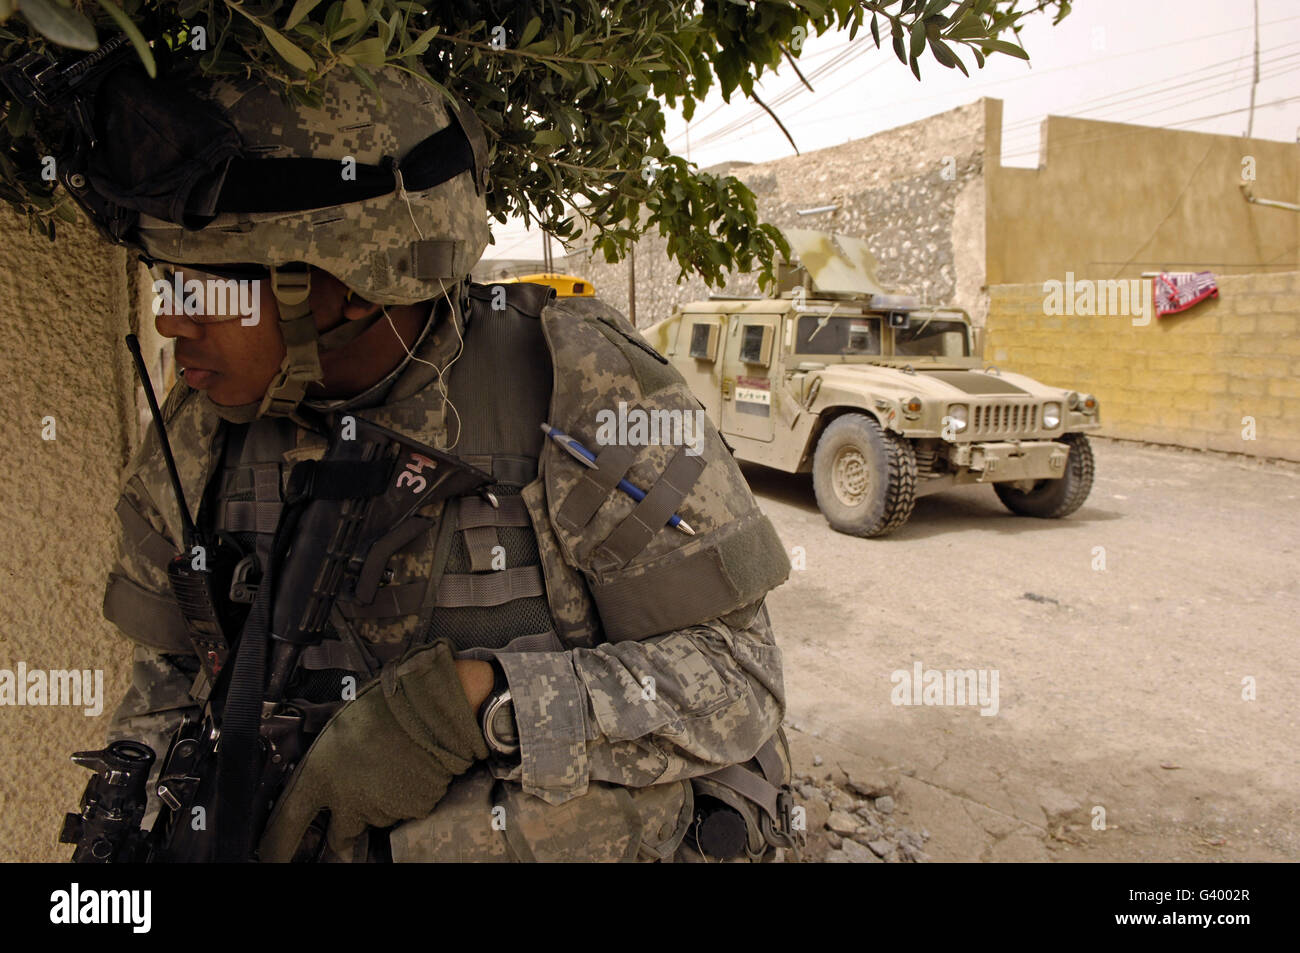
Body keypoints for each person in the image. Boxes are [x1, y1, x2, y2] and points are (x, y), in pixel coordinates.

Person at [91, 61, 797, 862]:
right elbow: (165, 687)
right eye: (166, 280)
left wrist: (476, 701)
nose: (172, 318)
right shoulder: (200, 437)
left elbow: (739, 680)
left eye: (209, 286)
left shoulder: (579, 388)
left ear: (354, 285)